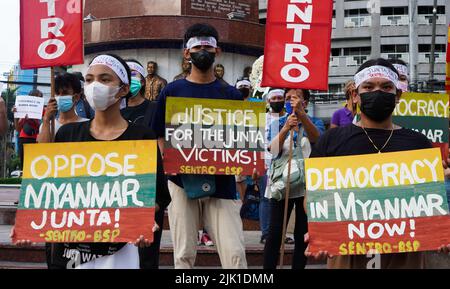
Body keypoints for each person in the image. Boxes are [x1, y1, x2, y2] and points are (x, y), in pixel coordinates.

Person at [12, 53, 171, 269]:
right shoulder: (67, 135)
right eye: (89, 80)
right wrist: (28, 222)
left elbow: (158, 196)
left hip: (121, 253)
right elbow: (50, 191)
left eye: (105, 79)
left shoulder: (141, 137)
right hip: (72, 254)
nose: (95, 85)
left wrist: (141, 217)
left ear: (123, 89)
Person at [305, 58, 450, 269]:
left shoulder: (419, 144)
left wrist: (438, 233)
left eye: (386, 87)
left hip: (405, 255)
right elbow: (311, 198)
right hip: (347, 252)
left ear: (397, 95)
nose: (377, 92)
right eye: (369, 86)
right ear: (355, 95)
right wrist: (321, 230)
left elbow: (431, 203)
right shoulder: (331, 141)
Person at [152, 23, 247, 269]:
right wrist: (168, 162)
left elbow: (243, 141)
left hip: (223, 185)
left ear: (218, 51)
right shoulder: (171, 91)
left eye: (208, 46)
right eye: (197, 46)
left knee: (235, 254)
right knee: (183, 254)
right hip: (182, 183)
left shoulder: (232, 95)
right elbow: (159, 134)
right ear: (187, 52)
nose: (202, 50)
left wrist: (247, 165)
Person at [263, 88, 321, 269]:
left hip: (306, 187)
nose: (291, 101)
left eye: (296, 98)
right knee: (274, 235)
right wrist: (286, 128)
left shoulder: (315, 122)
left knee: (301, 235)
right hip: (281, 185)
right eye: (288, 98)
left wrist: (303, 118)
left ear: (305, 102)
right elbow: (272, 150)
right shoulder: (277, 123)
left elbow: (318, 140)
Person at [121, 59, 166, 268]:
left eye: (134, 75)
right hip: (120, 188)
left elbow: (162, 145)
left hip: (147, 187)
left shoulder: (155, 108)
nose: (131, 81)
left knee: (147, 253)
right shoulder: (113, 112)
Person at [37, 73, 89, 143]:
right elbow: (41, 150)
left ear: (76, 97)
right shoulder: (48, 125)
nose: (60, 97)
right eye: (57, 93)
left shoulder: (87, 125)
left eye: (65, 93)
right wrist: (46, 120)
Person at [120, 59, 156, 126]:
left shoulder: (154, 109)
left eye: (133, 74)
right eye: (124, 74)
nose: (128, 78)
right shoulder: (113, 109)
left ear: (142, 81)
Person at [13, 89, 43, 169]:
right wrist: (16, 115)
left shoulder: (44, 111)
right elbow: (18, 128)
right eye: (34, 98)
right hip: (24, 139)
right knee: (25, 165)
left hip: (38, 140)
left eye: (39, 98)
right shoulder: (24, 110)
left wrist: (33, 118)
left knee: (38, 165)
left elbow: (43, 126)